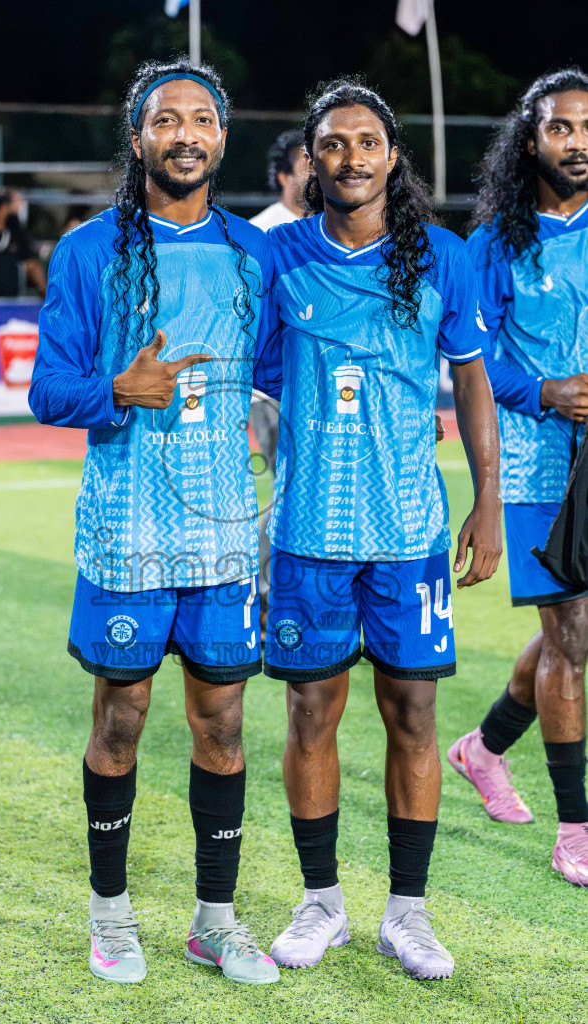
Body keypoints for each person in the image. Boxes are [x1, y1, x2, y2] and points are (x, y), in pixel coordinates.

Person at [29, 58, 281, 986]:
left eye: (202, 119)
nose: (185, 134)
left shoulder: (253, 253)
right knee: (121, 721)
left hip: (222, 536)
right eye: (165, 120)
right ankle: (111, 915)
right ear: (137, 138)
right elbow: (47, 389)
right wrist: (115, 390)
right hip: (126, 532)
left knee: (222, 728)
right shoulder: (89, 250)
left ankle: (215, 922)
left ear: (222, 137)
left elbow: (284, 372)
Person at [263, 79, 502, 980]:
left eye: (366, 142)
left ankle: (408, 914)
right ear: (310, 160)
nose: (350, 157)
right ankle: (320, 902)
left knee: (412, 713)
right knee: (310, 711)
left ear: (392, 156)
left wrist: (486, 499)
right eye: (332, 144)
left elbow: (472, 377)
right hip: (307, 533)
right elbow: (258, 390)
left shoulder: (441, 255)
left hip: (408, 530)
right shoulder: (278, 259)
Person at [448, 69, 588, 884]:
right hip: (537, 469)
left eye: (587, 126)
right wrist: (539, 390)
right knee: (570, 638)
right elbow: (471, 363)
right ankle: (575, 830)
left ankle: (483, 746)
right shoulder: (493, 244)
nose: (578, 141)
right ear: (529, 139)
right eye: (561, 127)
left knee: (570, 635)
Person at [249, 130, 308, 634]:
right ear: (284, 176)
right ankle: (267, 592)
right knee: (290, 488)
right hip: (272, 392)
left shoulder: (330, 227)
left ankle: (283, 590)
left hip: (325, 390)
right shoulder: (263, 233)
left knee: (306, 488)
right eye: (303, 165)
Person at [250, 129, 308, 230]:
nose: (315, 174)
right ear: (284, 177)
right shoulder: (260, 230)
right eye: (307, 168)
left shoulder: (335, 227)